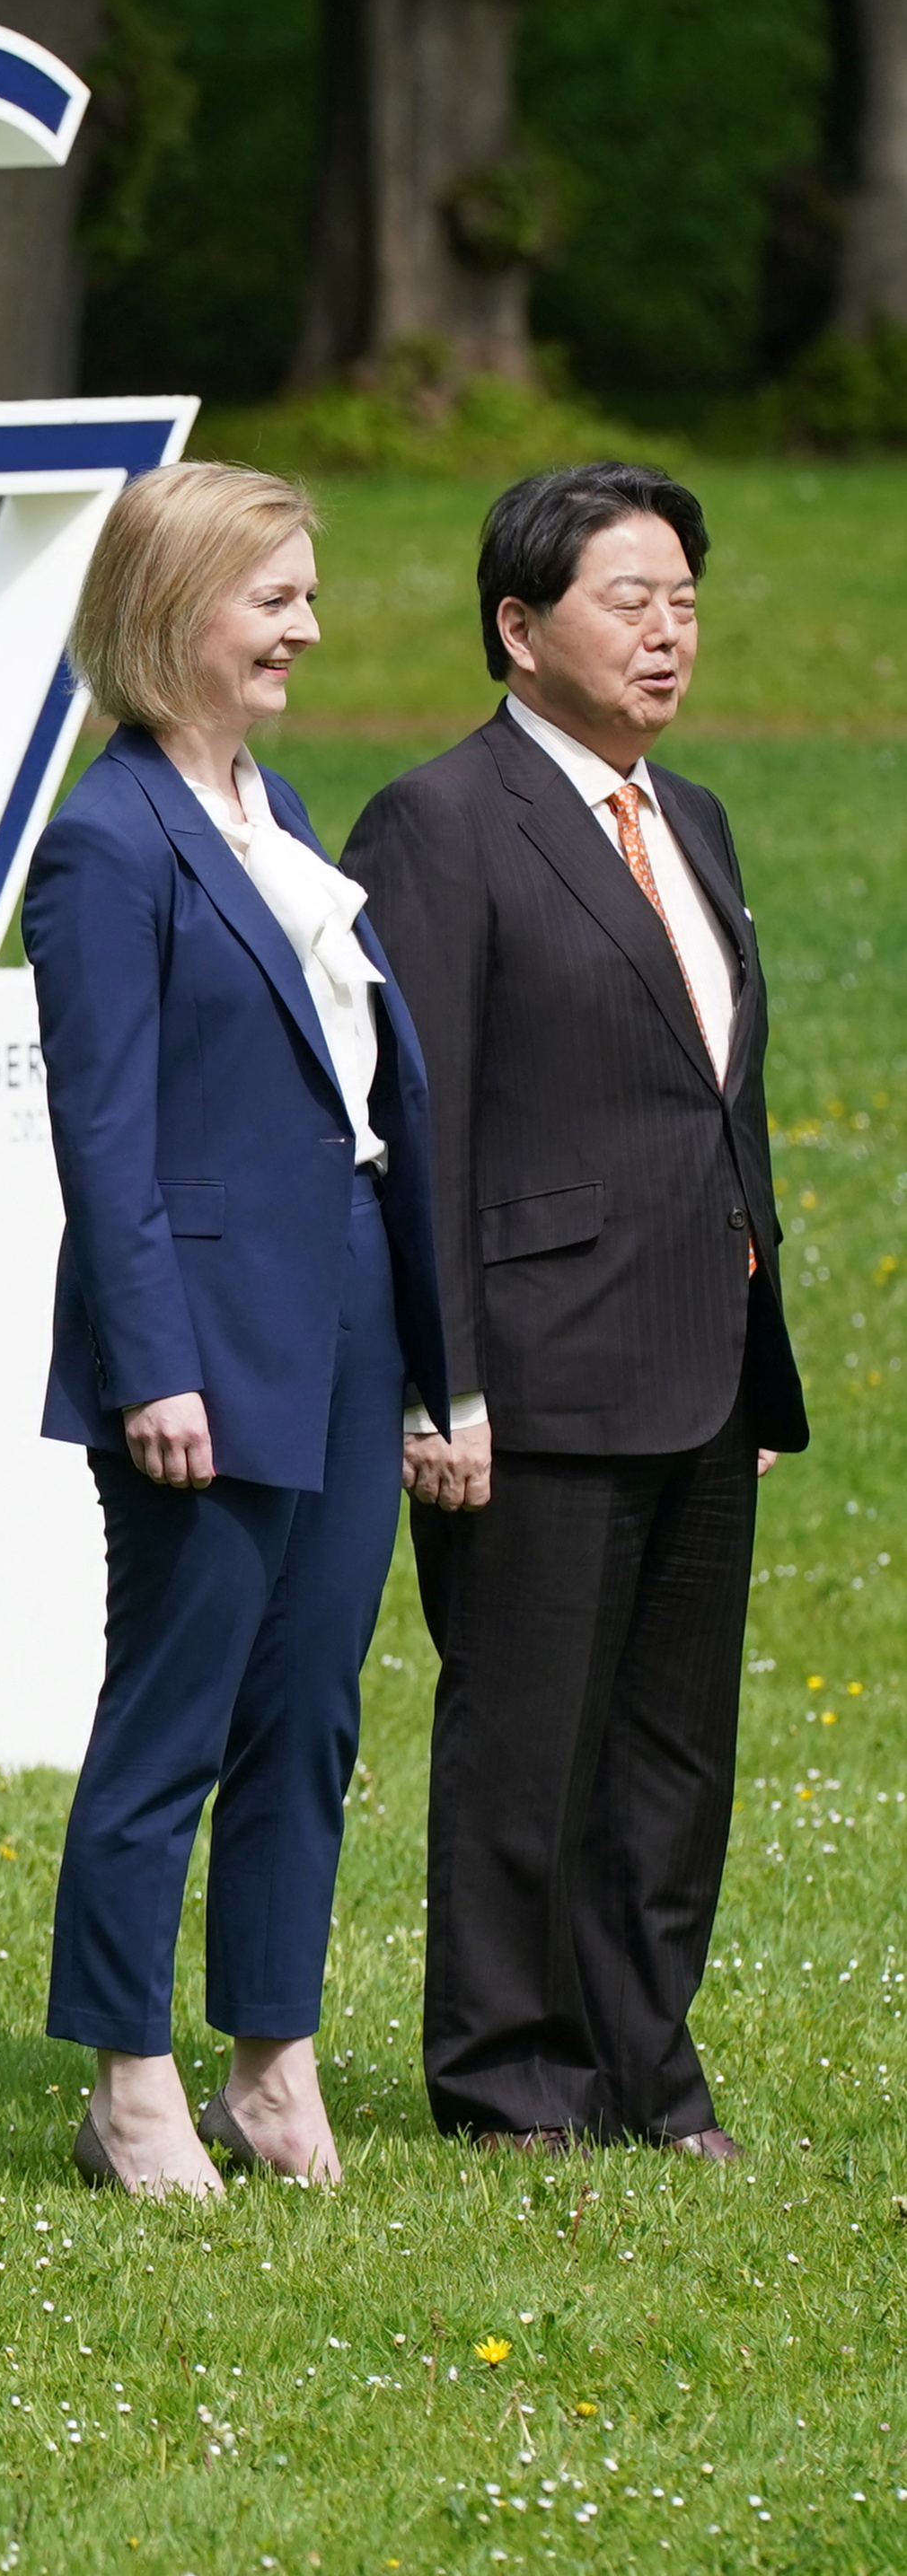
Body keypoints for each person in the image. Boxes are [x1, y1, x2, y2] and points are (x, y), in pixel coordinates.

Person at [339, 462, 806, 2159]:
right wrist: (440, 1384)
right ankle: (509, 2078)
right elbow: (419, 1122)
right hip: (532, 1372)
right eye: (629, 600)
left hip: (701, 1364)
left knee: (674, 1755)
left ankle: (643, 2074)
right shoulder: (439, 821)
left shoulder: (694, 820)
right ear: (518, 627)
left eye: (684, 599)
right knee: (526, 1744)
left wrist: (755, 1344)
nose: (668, 630)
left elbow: (721, 1102)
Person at [20, 462, 459, 2200]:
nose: (305, 628)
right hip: (203, 1334)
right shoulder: (104, 840)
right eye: (271, 597)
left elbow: (360, 1100)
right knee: (175, 1711)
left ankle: (272, 2065)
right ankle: (126, 2079)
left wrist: (425, 1360)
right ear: (169, 610)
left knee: (308, 1714)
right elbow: (102, 1135)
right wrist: (154, 1363)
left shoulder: (276, 813)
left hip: (342, 1308)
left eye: (304, 595)